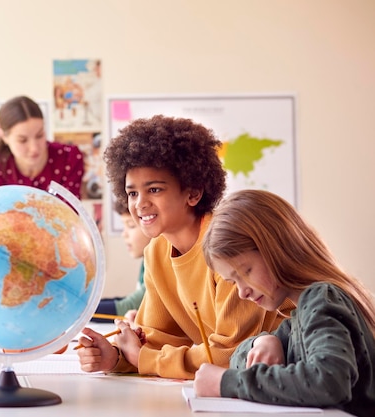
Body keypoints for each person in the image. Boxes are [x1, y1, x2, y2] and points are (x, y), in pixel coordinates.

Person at [76, 116, 294, 379]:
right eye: (132, 193)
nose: (140, 204)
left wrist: (143, 358)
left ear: (193, 193)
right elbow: (154, 339)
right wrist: (116, 356)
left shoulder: (227, 245)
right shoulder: (156, 252)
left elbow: (230, 353)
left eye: (154, 189)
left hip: (290, 366)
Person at [193, 189, 375, 416]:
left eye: (245, 271)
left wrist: (226, 383)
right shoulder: (299, 317)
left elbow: (329, 381)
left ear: (276, 248)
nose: (242, 292)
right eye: (233, 282)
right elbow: (236, 357)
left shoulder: (320, 299)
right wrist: (263, 342)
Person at [0, 95, 84, 198]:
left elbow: (70, 212)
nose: (34, 148)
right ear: (5, 137)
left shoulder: (69, 158)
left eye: (39, 135)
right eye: (22, 140)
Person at [93, 200, 151, 323]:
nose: (124, 234)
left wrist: (82, 310)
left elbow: (129, 305)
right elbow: (128, 299)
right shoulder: (146, 261)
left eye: (130, 225)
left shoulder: (157, 266)